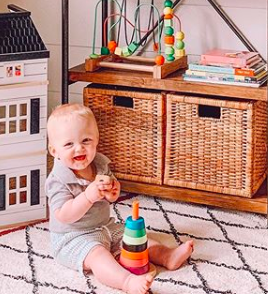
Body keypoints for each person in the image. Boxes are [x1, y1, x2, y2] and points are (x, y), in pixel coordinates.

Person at [46, 103, 193, 294]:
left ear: (96, 139)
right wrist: (88, 196)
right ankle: (127, 282)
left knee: (136, 239)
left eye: (86, 140)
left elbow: (111, 193)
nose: (79, 148)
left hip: (105, 226)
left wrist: (112, 192)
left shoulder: (99, 164)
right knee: (99, 256)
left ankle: (166, 256)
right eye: (68, 144)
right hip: (72, 238)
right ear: (54, 151)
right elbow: (64, 215)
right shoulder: (58, 179)